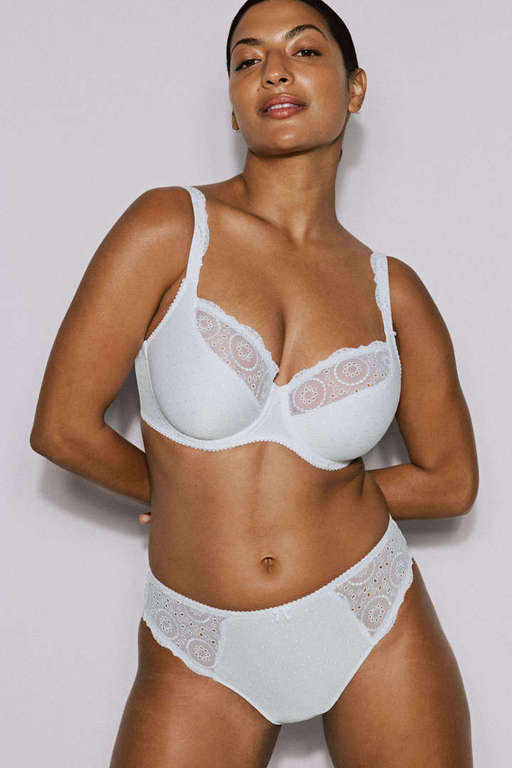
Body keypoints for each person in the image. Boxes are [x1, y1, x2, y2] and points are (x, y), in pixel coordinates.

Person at [30, 0, 479, 765]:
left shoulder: (392, 290)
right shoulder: (170, 227)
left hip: (371, 612)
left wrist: (313, 494)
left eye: (304, 51)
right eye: (247, 59)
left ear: (355, 87)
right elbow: (62, 428)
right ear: (233, 105)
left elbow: (451, 482)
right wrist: (182, 491)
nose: (273, 71)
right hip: (201, 641)